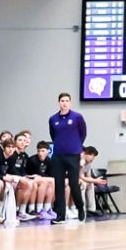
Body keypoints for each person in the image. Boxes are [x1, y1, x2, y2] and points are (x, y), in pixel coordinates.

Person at [48, 92, 88, 222]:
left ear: (70, 102)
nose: (64, 103)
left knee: (73, 183)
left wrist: (77, 146)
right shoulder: (53, 119)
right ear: (58, 102)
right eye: (62, 101)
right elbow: (53, 135)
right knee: (59, 184)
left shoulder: (77, 117)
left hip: (73, 155)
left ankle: (80, 207)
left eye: (66, 101)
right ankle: (60, 214)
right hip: (58, 155)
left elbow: (83, 133)